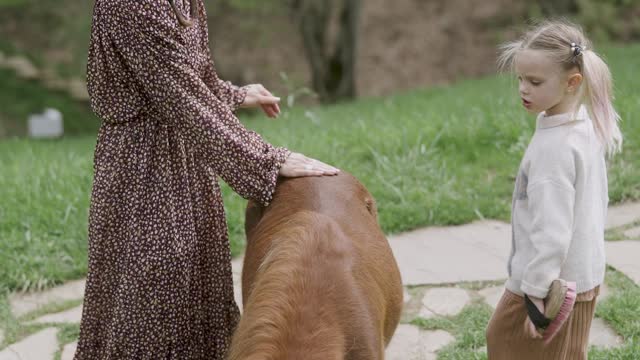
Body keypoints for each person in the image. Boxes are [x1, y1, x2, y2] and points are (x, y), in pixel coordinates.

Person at [74, 0, 338, 358]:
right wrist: (266, 161)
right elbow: (179, 95)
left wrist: (235, 94)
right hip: (141, 171)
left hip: (187, 159)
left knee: (199, 286)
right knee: (155, 291)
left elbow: (194, 77)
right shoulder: (131, 4)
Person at [485, 20, 623, 359]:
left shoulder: (554, 149)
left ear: (572, 82)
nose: (523, 89)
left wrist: (535, 290)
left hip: (551, 285)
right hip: (583, 276)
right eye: (520, 79)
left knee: (502, 342)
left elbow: (552, 229)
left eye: (534, 81)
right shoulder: (583, 127)